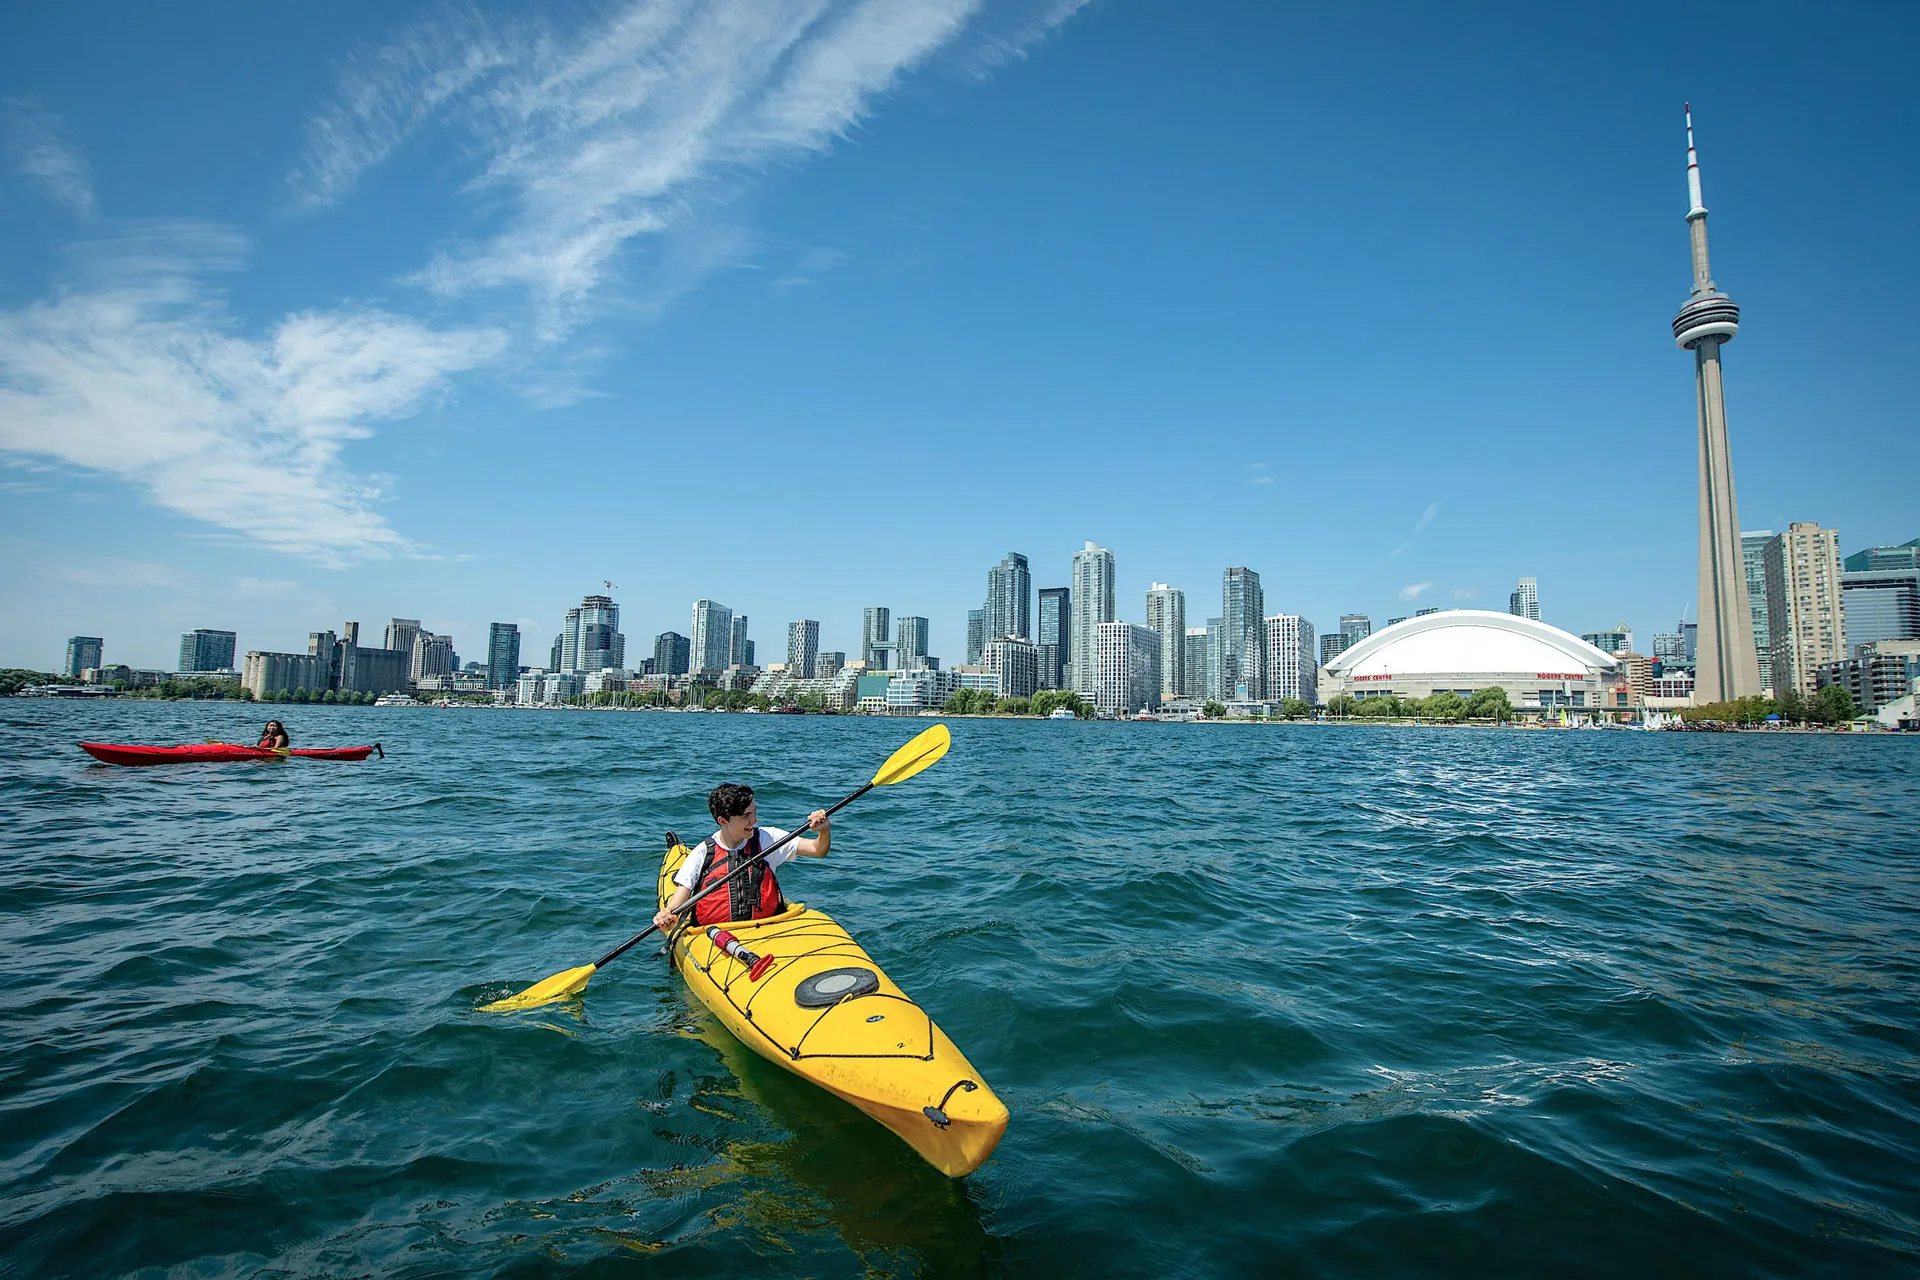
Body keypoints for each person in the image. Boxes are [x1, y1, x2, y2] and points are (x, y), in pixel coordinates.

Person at [654, 783, 830, 930]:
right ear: (723, 821)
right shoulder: (702, 854)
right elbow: (675, 907)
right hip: (715, 936)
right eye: (746, 816)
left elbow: (818, 850)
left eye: (754, 812)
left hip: (765, 929)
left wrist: (824, 830)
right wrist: (667, 918)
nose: (754, 820)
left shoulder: (768, 839)